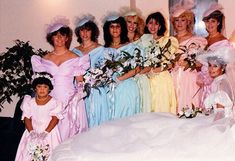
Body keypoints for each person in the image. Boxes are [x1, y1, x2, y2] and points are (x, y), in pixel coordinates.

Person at [31, 17, 89, 141]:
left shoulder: (75, 58)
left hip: (69, 100)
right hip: (50, 99)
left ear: (67, 38)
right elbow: (40, 82)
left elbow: (80, 82)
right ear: (51, 38)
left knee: (67, 133)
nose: (59, 39)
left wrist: (77, 96)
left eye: (62, 36)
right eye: (56, 36)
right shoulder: (44, 59)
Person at [15, 72, 63, 161]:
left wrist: (46, 132)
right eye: (39, 87)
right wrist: (31, 132)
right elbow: (27, 118)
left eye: (45, 87)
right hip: (32, 130)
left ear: (49, 89)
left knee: (49, 154)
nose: (42, 89)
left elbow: (55, 119)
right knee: (29, 154)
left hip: (49, 132)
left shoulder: (55, 102)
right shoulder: (29, 102)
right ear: (35, 88)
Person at [72, 15, 109, 128]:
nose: (85, 33)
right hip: (79, 89)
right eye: (82, 30)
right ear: (78, 32)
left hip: (96, 89)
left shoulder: (101, 49)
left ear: (93, 31)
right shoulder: (74, 51)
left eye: (87, 30)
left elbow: (106, 71)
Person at [170, 3, 207, 113]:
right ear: (173, 23)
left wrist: (189, 63)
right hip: (173, 78)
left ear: (188, 22)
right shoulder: (169, 40)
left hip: (189, 79)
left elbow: (203, 63)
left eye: (183, 20)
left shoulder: (197, 40)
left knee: (189, 109)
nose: (180, 23)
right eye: (177, 20)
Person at [103, 15, 140, 119]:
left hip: (126, 86)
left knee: (125, 119)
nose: (115, 29)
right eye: (112, 26)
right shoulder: (104, 49)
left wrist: (119, 79)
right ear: (107, 29)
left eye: (117, 26)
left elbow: (136, 69)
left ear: (122, 28)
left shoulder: (131, 47)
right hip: (109, 88)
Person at [200, 3, 235, 109]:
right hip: (203, 84)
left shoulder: (223, 42)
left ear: (218, 23)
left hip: (216, 83)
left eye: (213, 21)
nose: (210, 24)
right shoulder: (202, 40)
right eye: (207, 21)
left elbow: (226, 67)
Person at [144, 12, 179, 114]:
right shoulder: (142, 42)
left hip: (161, 78)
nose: (153, 26)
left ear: (160, 26)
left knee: (162, 107)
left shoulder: (167, 41)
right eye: (150, 23)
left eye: (156, 23)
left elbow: (171, 63)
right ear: (146, 25)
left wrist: (156, 69)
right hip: (147, 80)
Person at [197, 47, 235, 121]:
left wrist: (212, 127)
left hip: (222, 122)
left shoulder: (221, 83)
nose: (211, 69)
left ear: (223, 68)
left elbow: (220, 113)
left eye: (215, 66)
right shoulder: (219, 81)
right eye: (210, 65)